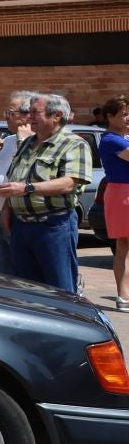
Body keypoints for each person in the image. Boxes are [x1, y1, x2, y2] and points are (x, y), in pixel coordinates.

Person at [0, 92, 90, 295]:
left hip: (54, 226)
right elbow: (15, 177)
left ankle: (66, 325)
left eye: (35, 112)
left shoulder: (74, 144)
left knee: (59, 288)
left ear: (56, 115)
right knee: (25, 289)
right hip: (21, 226)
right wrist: (7, 209)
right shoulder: (28, 143)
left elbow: (70, 183)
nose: (29, 117)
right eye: (28, 112)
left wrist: (27, 188)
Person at [0, 91, 35, 276]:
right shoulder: (7, 141)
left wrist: (22, 142)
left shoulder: (35, 142)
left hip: (20, 217)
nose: (6, 118)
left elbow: (29, 174)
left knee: (22, 272)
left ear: (28, 115)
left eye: (10, 113)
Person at [101, 95, 129, 311]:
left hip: (121, 192)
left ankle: (124, 296)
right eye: (123, 114)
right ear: (110, 116)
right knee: (124, 246)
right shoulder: (112, 140)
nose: (127, 118)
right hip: (123, 193)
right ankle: (124, 296)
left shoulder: (122, 138)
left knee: (124, 247)